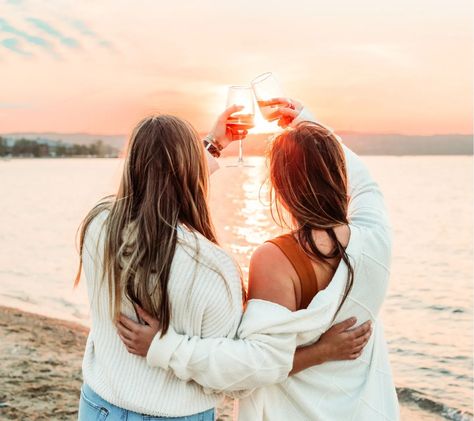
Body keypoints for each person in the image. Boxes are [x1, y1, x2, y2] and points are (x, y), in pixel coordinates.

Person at [74, 107, 371, 420]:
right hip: (172, 414)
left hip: (99, 404)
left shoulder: (99, 224)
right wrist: (321, 352)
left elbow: (158, 182)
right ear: (192, 170)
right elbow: (243, 373)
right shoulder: (212, 268)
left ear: (131, 163)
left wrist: (212, 144)